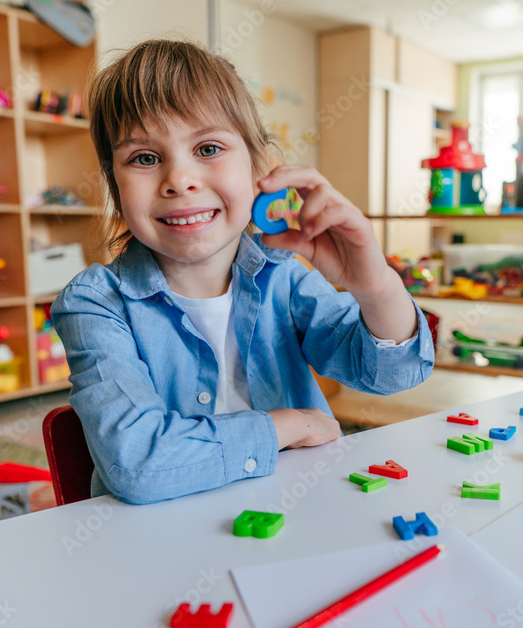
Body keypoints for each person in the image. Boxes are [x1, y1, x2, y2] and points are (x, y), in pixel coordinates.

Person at [51, 39, 434, 504]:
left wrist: (373, 284)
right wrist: (289, 424)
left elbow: (390, 376)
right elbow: (138, 465)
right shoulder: (93, 303)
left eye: (208, 148)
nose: (179, 180)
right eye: (145, 158)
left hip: (295, 513)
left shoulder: (285, 276)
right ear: (115, 185)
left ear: (260, 171)